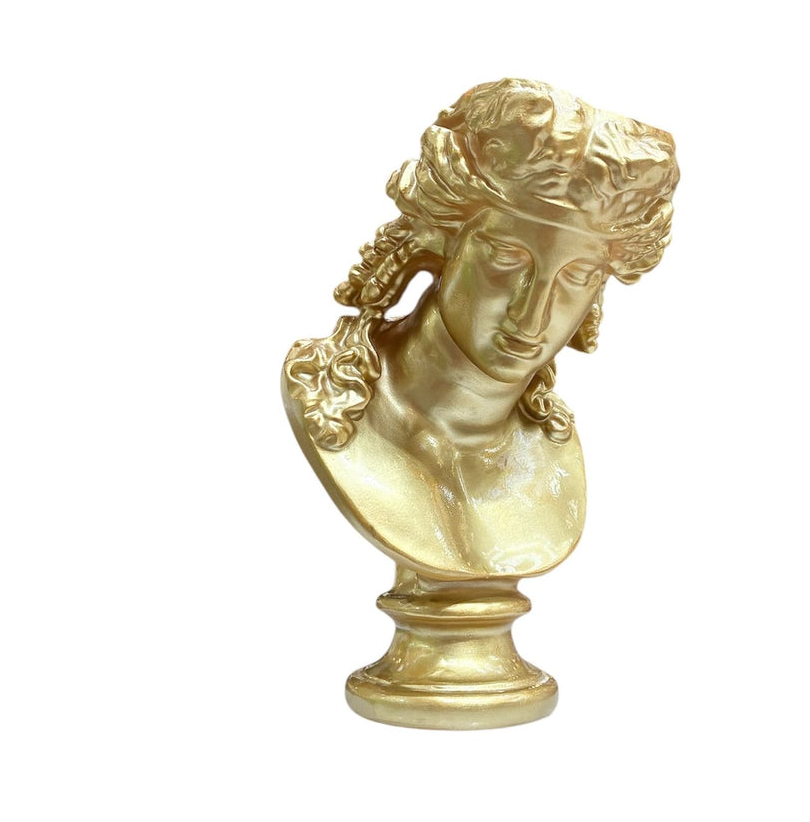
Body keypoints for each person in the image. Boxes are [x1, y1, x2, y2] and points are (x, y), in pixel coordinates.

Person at [283, 78, 679, 579]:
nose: (532, 315)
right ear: (442, 240)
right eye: (507, 258)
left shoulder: (547, 442)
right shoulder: (327, 394)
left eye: (577, 277)